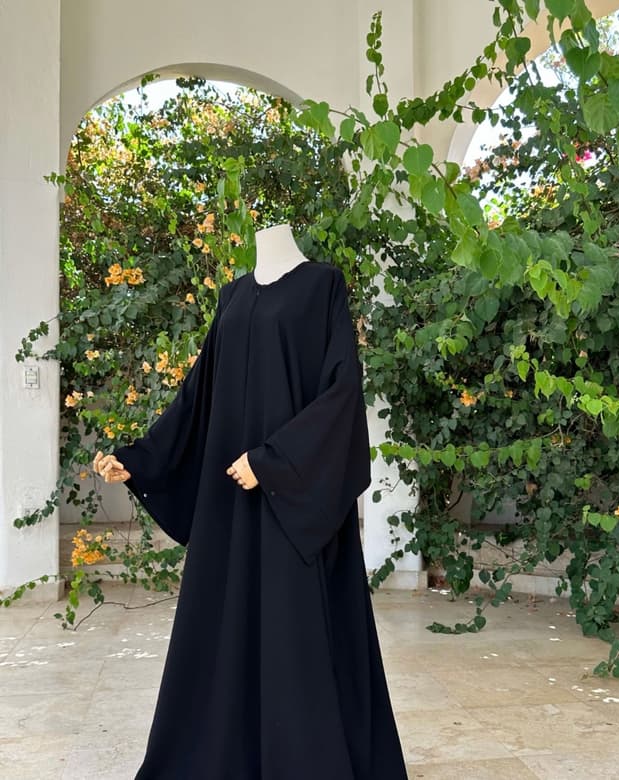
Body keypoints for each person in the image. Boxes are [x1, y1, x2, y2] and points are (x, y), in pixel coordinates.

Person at [93, 222, 408, 779]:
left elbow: (341, 392)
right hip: (230, 505)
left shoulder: (323, 285)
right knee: (226, 634)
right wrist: (139, 459)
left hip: (292, 503)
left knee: (295, 637)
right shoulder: (233, 296)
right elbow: (198, 396)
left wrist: (272, 461)